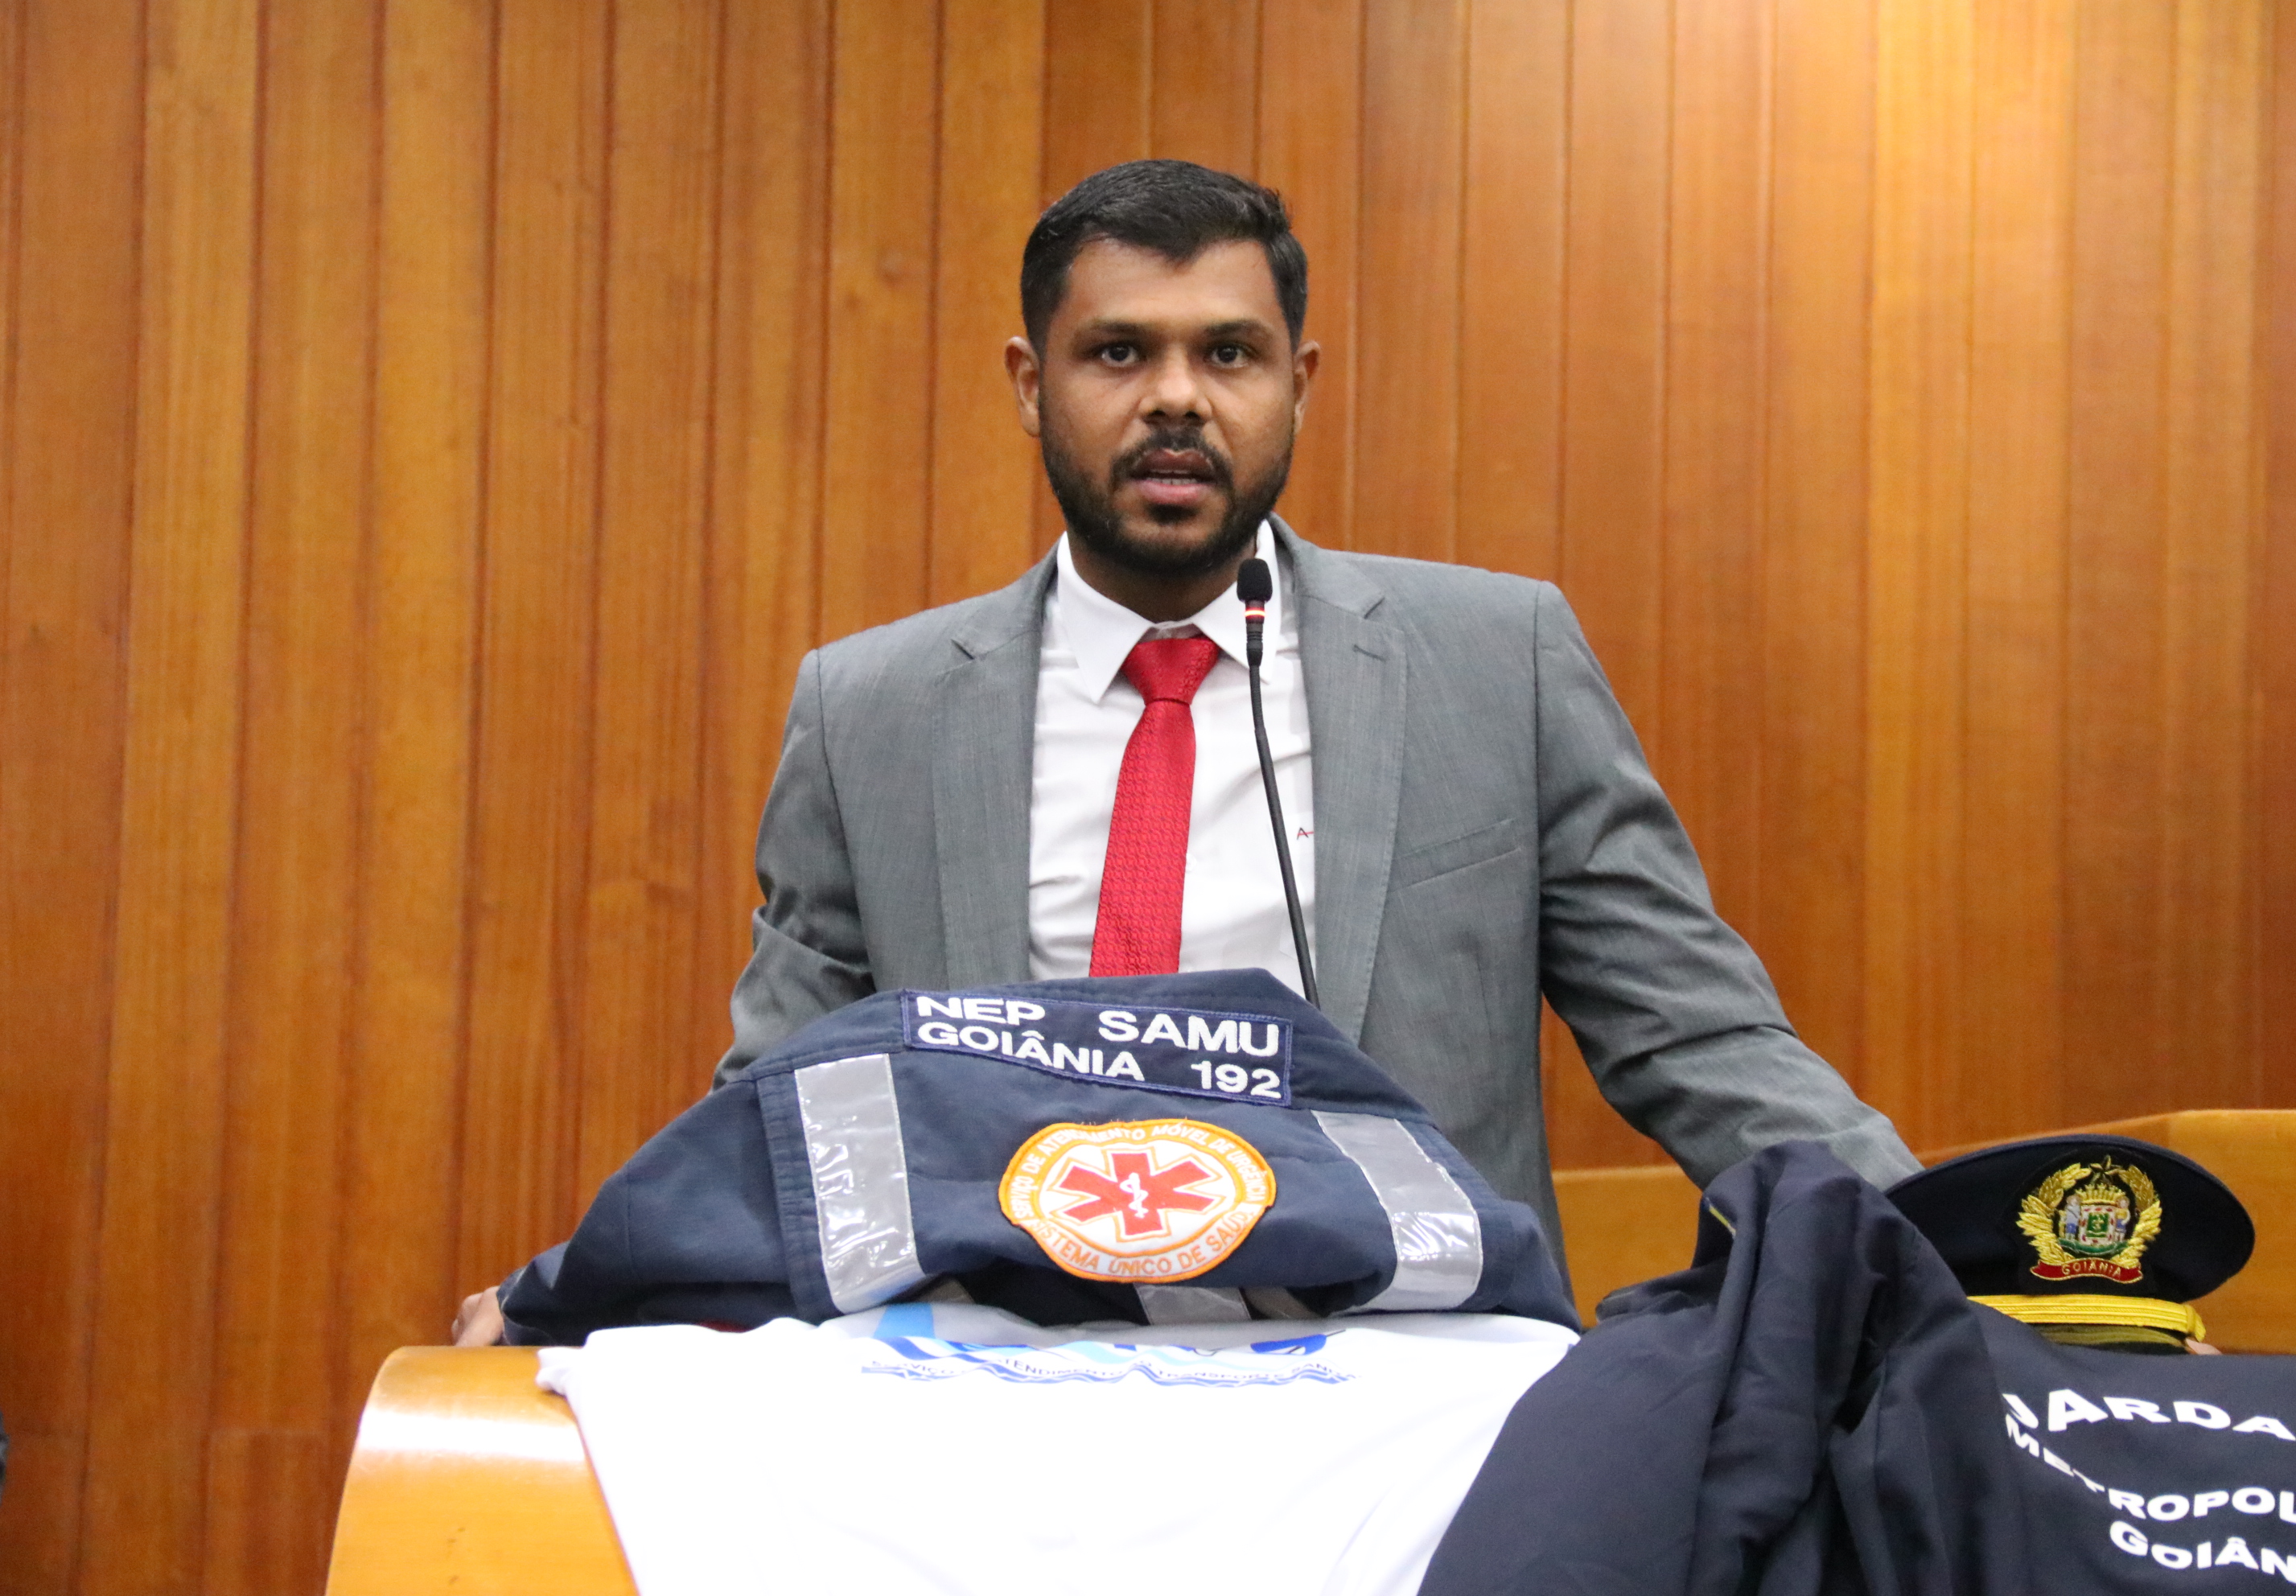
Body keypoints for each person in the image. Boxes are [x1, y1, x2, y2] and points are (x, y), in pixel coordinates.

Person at [455, 158, 1914, 1346]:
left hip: (1407, 1377)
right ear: (1030, 383)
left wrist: (1941, 1254)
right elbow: (784, 1102)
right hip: (999, 1382)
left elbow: (1696, 1036)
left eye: (1228, 352)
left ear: (1299, 382)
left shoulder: (1494, 662)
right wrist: (585, 1294)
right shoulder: (873, 710)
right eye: (1118, 353)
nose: (1176, 398)